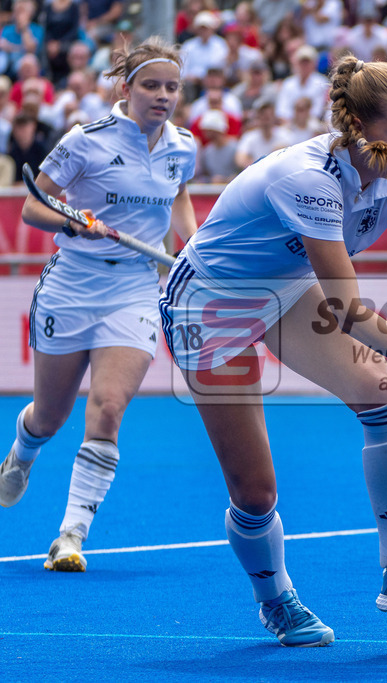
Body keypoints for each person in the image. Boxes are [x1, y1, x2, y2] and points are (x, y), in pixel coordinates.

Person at [158, 56, 387, 647]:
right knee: (255, 493)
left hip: (282, 288)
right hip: (209, 308)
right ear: (361, 129)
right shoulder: (309, 179)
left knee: (379, 390)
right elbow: (348, 312)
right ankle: (275, 600)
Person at [0, 38, 198, 572]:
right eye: (152, 85)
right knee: (49, 416)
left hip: (134, 288)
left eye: (172, 87)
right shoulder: (84, 141)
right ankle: (22, 450)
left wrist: (191, 245)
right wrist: (74, 221)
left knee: (108, 408)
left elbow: (179, 194)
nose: (163, 96)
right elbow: (33, 208)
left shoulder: (183, 146)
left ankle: (70, 535)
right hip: (72, 286)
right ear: (126, 87)